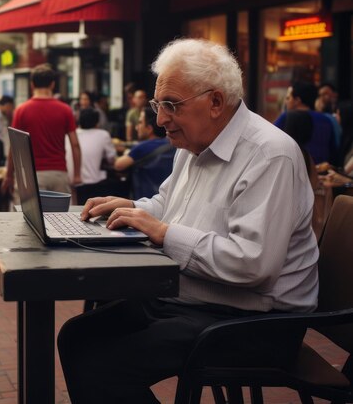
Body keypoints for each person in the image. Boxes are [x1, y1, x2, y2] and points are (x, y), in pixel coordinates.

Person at [58, 38, 319, 403]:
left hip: (258, 325)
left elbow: (253, 263)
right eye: (158, 104)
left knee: (103, 361)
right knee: (78, 336)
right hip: (202, 303)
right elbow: (170, 204)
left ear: (215, 102)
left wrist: (162, 233)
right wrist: (133, 208)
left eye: (171, 105)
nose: (160, 119)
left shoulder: (270, 154)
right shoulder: (195, 145)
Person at [3, 63, 82, 196]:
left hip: (30, 175)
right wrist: (77, 175)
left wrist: (9, 175)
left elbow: (14, 146)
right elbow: (75, 144)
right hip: (58, 174)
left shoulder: (21, 110)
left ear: (32, 84)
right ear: (52, 84)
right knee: (59, 216)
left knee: (29, 217)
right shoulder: (65, 110)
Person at [114, 107, 175, 199]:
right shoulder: (172, 143)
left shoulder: (142, 147)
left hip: (146, 200)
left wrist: (126, 152)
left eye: (140, 123)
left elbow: (118, 165)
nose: (136, 127)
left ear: (149, 128)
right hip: (168, 197)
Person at [274, 81, 338, 165]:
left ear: (297, 100)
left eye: (288, 98)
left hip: (295, 171)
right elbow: (334, 152)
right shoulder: (326, 120)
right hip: (322, 173)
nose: (286, 102)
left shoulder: (287, 117)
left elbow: (270, 142)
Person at [66, 108, 115, 185]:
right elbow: (111, 159)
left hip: (70, 181)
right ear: (97, 123)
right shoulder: (103, 134)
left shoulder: (70, 135)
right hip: (92, 183)